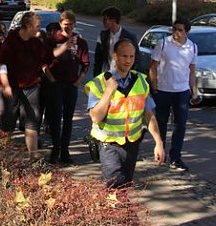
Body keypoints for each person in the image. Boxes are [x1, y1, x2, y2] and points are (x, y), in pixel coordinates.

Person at [86, 38, 165, 187]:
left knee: (126, 184)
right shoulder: (99, 83)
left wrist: (158, 143)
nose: (128, 60)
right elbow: (96, 117)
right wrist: (110, 90)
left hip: (132, 142)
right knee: (114, 183)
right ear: (115, 56)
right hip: (108, 143)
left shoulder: (140, 81)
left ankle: (122, 210)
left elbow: (148, 115)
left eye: (131, 56)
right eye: (124, 56)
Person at [0, 11, 58, 154]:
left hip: (30, 86)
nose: (39, 28)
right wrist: (6, 86)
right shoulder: (11, 40)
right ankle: (2, 156)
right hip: (10, 86)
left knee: (32, 120)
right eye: (37, 26)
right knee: (7, 123)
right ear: (28, 26)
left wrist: (64, 47)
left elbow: (47, 57)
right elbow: (2, 64)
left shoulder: (36, 42)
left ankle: (33, 155)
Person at [148, 18, 200, 171]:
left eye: (180, 30)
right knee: (161, 123)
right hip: (163, 90)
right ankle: (161, 153)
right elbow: (153, 66)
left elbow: (192, 71)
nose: (176, 33)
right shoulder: (163, 43)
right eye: (174, 29)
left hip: (182, 91)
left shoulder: (193, 47)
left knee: (180, 125)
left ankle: (176, 157)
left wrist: (194, 92)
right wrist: (154, 87)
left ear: (187, 32)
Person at [44, 11, 89, 165]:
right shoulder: (52, 40)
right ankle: (55, 149)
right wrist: (51, 79)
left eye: (71, 24)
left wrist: (79, 80)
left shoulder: (80, 42)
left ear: (74, 24)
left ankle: (65, 150)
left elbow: (85, 63)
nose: (68, 27)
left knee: (68, 119)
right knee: (55, 118)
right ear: (60, 24)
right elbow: (44, 61)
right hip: (55, 84)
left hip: (71, 84)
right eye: (65, 24)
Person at [92, 6, 138, 75]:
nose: (103, 22)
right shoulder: (103, 36)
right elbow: (98, 59)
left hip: (123, 76)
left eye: (105, 19)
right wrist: (96, 76)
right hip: (106, 75)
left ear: (113, 20)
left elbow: (136, 59)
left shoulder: (130, 37)